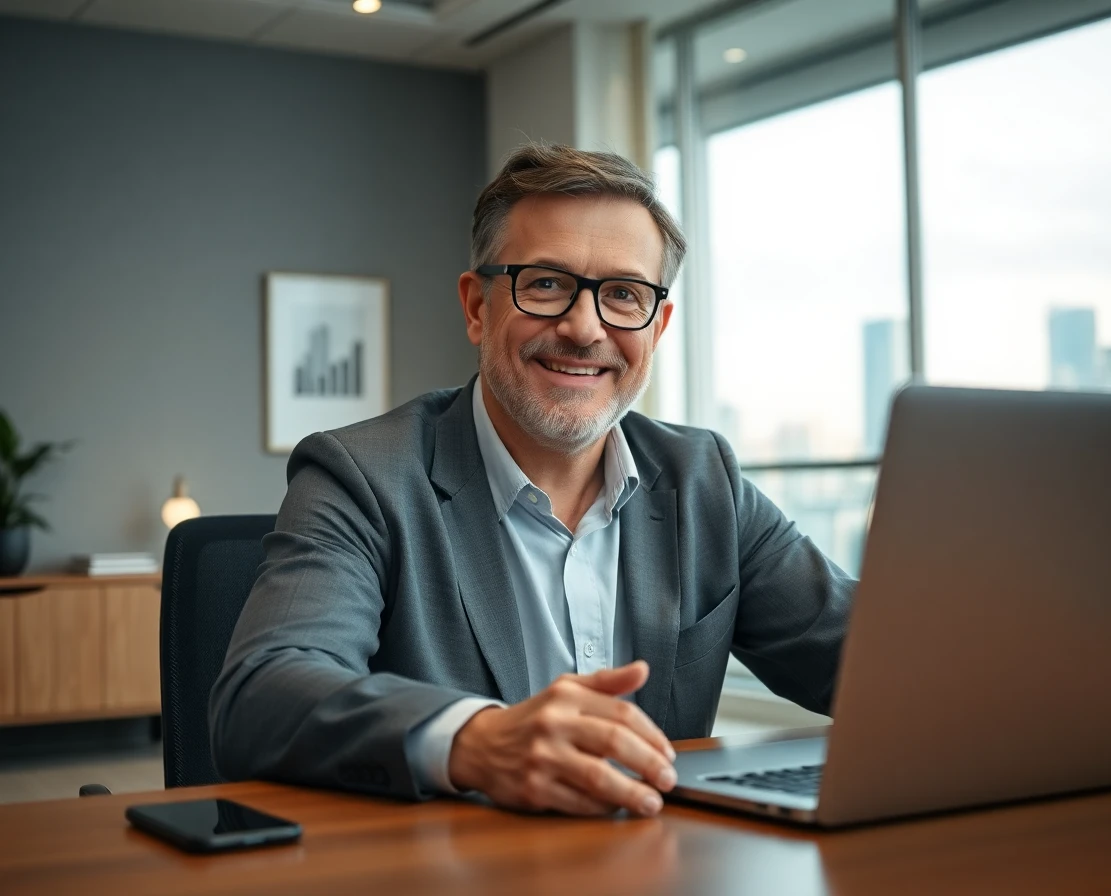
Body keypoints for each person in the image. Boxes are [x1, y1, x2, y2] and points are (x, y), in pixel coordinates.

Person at [210, 144, 854, 819]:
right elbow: (261, 694)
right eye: (545, 283)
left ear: (657, 328)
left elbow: (872, 660)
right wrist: (475, 739)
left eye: (623, 295)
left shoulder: (705, 482)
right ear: (477, 307)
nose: (584, 328)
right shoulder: (362, 476)